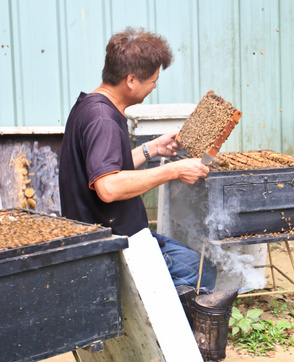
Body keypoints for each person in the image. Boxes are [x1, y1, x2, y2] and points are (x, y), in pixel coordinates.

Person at [59, 26, 217, 295]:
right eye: (153, 80)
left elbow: (103, 169)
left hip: (114, 233)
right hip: (112, 245)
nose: (154, 86)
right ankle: (158, 328)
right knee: (201, 272)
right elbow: (108, 187)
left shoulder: (91, 105)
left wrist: (152, 149)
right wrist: (175, 170)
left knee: (195, 263)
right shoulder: (103, 119)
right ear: (132, 80)